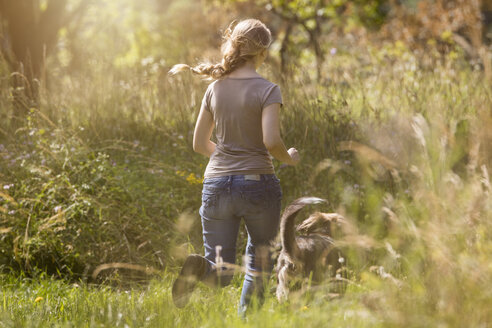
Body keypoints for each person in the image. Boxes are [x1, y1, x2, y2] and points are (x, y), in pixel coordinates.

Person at [169, 18, 300, 315]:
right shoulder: (268, 90)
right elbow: (271, 141)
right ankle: (247, 321)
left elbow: (200, 144)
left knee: (221, 272)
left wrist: (227, 160)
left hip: (215, 185)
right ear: (263, 52)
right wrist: (289, 157)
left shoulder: (214, 89)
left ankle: (200, 268)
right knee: (260, 262)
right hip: (258, 185)